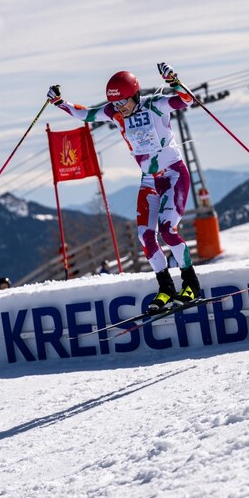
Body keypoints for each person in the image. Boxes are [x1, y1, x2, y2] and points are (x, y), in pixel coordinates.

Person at [48, 62, 202, 312]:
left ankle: (191, 284)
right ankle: (165, 289)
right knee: (144, 235)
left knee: (168, 231)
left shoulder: (155, 104)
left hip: (174, 175)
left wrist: (173, 80)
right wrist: (59, 103)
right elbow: (85, 114)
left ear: (135, 95)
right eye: (116, 104)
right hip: (149, 180)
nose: (119, 108)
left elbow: (186, 100)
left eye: (123, 103)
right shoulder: (114, 112)